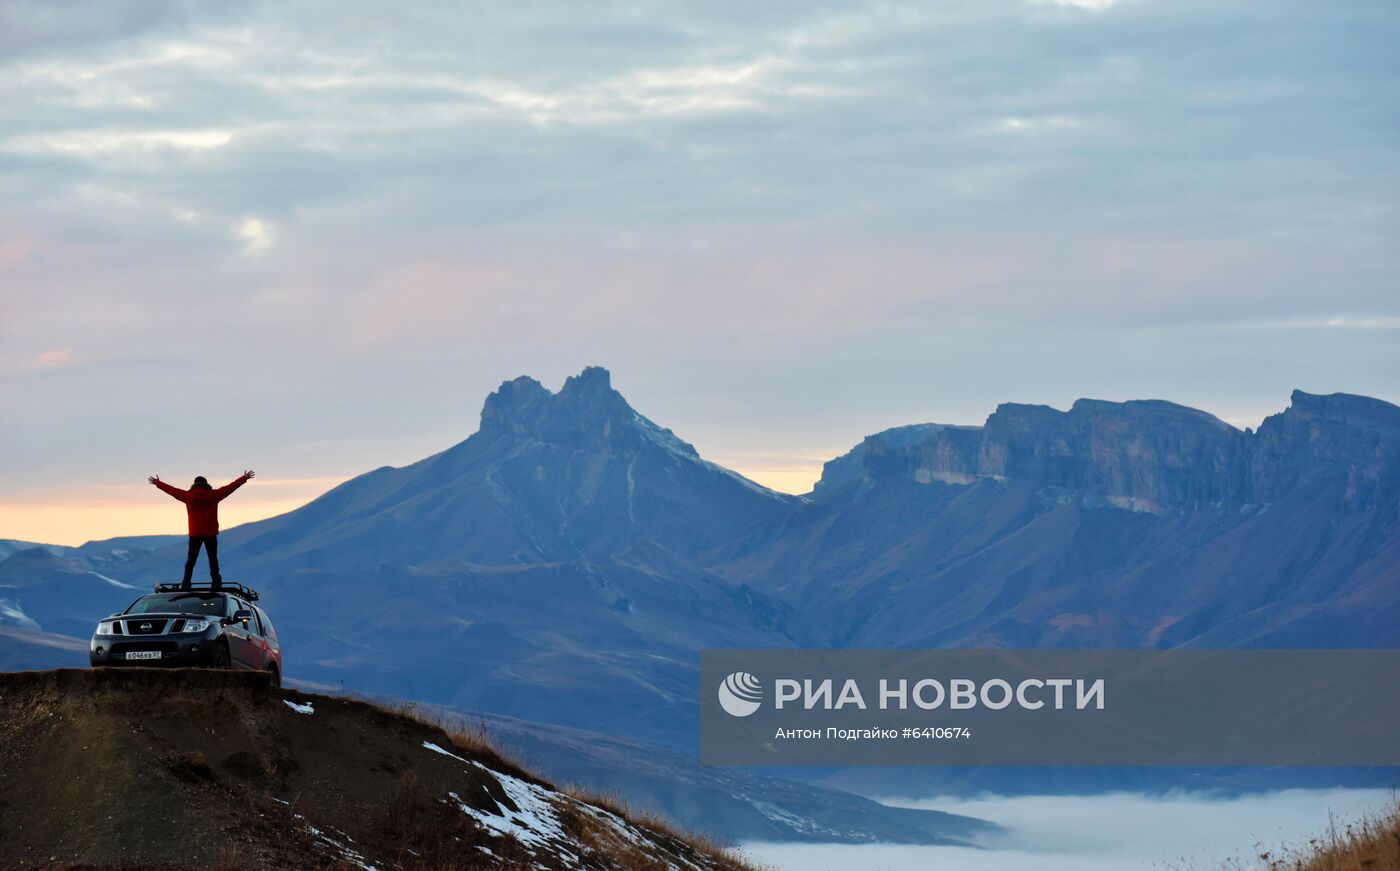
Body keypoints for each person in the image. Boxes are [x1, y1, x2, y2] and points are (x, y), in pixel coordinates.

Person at [149, 471, 255, 589]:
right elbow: (229, 488)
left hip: (195, 534)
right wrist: (243, 478)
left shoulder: (188, 496)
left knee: (191, 560)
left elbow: (172, 491)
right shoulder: (214, 495)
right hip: (210, 533)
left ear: (194, 485)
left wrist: (158, 483)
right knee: (213, 559)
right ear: (206, 484)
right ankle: (216, 582)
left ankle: (186, 583)